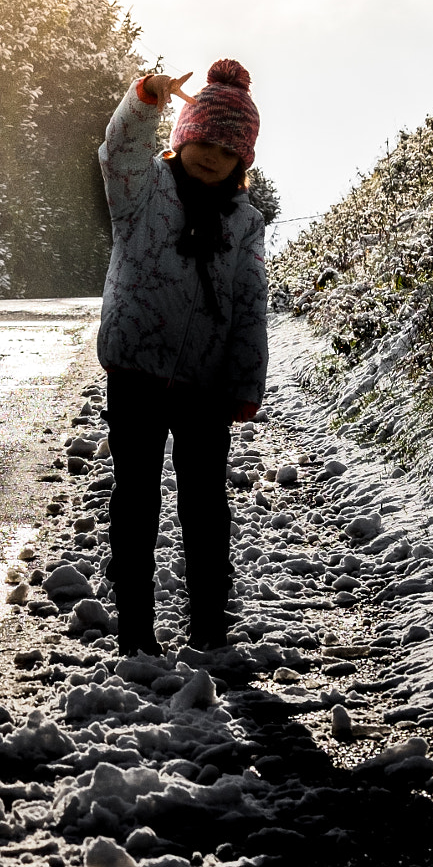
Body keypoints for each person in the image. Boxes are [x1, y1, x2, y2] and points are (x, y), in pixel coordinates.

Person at [96, 59, 269, 654]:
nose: (213, 155)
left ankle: (209, 627)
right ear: (182, 134)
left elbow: (250, 302)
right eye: (204, 139)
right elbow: (117, 150)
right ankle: (135, 633)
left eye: (229, 149)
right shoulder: (141, 191)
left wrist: (247, 380)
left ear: (242, 161)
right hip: (135, 373)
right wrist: (146, 98)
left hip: (206, 383)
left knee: (205, 502)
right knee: (136, 496)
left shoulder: (244, 223)